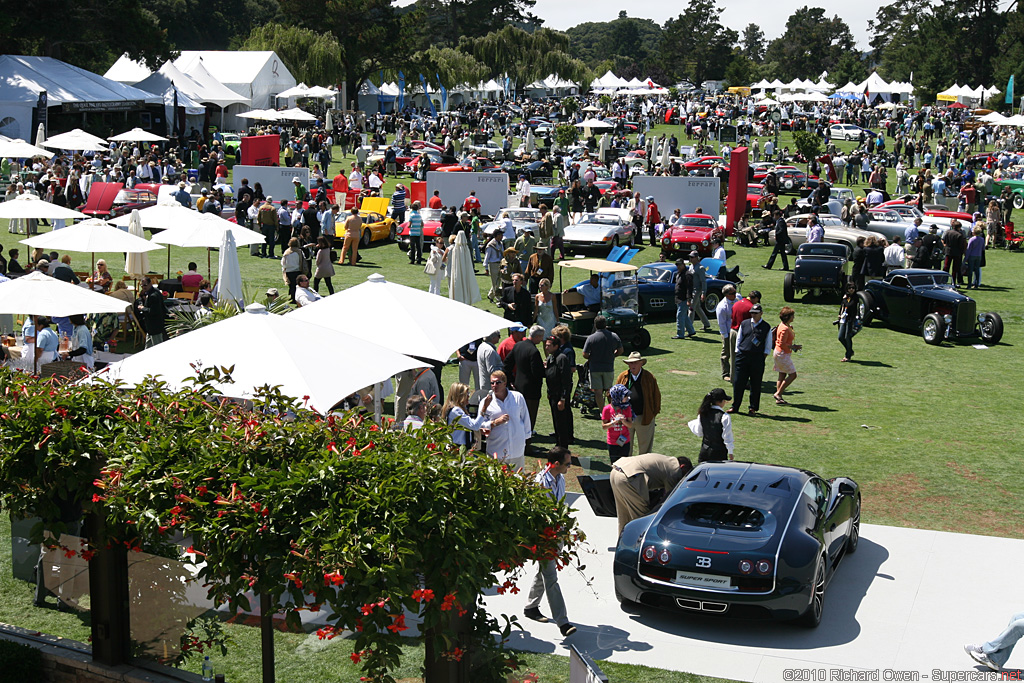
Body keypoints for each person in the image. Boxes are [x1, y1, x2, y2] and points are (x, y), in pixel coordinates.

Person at [523, 446, 577, 637]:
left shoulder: (559, 479)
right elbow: (538, 513)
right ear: (555, 464)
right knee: (551, 577)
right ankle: (563, 623)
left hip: (557, 533)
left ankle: (531, 607)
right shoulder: (540, 482)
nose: (569, 467)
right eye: (567, 464)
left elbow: (561, 506)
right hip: (544, 536)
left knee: (545, 572)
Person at [610, 453, 693, 537]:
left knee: (624, 514)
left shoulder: (667, 460)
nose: (682, 478)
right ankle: (637, 545)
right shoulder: (675, 470)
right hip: (629, 477)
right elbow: (670, 501)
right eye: (684, 475)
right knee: (642, 519)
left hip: (616, 471)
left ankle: (622, 542)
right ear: (682, 466)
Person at [480, 370, 531, 471]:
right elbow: (480, 424)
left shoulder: (517, 397)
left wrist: (524, 440)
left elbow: (526, 419)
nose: (494, 385)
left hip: (517, 450)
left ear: (505, 383)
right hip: (496, 450)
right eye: (492, 383)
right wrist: (495, 422)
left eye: (498, 382)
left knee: (518, 481)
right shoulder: (485, 402)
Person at [504, 325, 546, 448]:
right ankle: (526, 445)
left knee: (518, 417)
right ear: (537, 336)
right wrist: (545, 369)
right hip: (531, 391)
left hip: (518, 387)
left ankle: (518, 443)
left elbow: (506, 364)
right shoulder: (533, 351)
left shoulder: (518, 346)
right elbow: (537, 373)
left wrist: (511, 380)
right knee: (529, 419)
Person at [614, 352, 661, 456]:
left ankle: (643, 470)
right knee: (624, 447)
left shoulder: (649, 377)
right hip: (625, 419)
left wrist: (652, 415)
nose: (632, 365)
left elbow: (656, 397)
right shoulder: (623, 376)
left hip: (644, 418)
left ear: (641, 363)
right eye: (630, 363)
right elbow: (614, 394)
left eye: (635, 363)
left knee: (645, 450)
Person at [730, 303, 771, 415]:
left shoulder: (766, 326)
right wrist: (738, 352)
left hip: (757, 358)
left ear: (761, 314)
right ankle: (735, 406)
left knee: (755, 384)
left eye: (756, 313)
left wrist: (764, 355)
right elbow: (739, 339)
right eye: (752, 313)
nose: (753, 315)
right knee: (738, 382)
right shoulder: (745, 323)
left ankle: (753, 407)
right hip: (743, 356)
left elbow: (768, 344)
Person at [582, 315, 623, 411]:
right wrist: (613, 356)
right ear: (606, 324)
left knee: (598, 392)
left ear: (595, 325)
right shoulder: (613, 336)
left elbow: (585, 354)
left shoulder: (591, 338)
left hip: (595, 369)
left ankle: (603, 411)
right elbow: (620, 350)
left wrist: (591, 357)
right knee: (610, 391)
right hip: (608, 368)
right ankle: (613, 410)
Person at [442, 382, 493, 452]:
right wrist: (484, 407)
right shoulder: (456, 411)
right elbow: (474, 425)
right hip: (458, 449)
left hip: (461, 447)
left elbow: (467, 426)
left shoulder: (458, 409)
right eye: (467, 394)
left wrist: (479, 430)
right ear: (460, 396)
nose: (469, 396)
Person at [688, 388, 735, 462]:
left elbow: (699, 432)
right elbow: (727, 436)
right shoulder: (725, 416)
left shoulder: (703, 413)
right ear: (721, 401)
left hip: (704, 451)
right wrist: (730, 452)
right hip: (719, 453)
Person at [544, 334, 574, 448]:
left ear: (556, 346)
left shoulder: (561, 358)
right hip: (552, 394)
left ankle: (563, 446)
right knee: (556, 420)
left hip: (559, 396)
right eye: (546, 345)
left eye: (549, 346)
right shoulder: (550, 358)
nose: (546, 348)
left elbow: (565, 380)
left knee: (561, 423)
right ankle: (558, 443)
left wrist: (563, 399)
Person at [773, 306, 801, 404]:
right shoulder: (785, 328)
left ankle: (779, 397)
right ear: (788, 317)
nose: (794, 317)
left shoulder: (783, 325)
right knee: (793, 375)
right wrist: (794, 347)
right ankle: (778, 393)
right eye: (792, 315)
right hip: (782, 354)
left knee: (782, 374)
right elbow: (782, 344)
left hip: (779, 353)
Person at [602, 384, 634, 463]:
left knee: (625, 464)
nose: (627, 398)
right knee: (615, 464)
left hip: (625, 441)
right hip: (612, 442)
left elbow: (630, 425)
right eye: (625, 396)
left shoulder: (627, 407)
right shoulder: (607, 409)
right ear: (618, 397)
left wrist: (624, 421)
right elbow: (604, 426)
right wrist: (613, 422)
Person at [134, 278, 166, 348]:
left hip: (155, 326)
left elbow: (153, 311)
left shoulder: (153, 296)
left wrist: (142, 308)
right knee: (148, 347)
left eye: (145, 285)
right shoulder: (155, 291)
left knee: (157, 347)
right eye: (141, 286)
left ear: (150, 284)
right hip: (151, 327)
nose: (143, 287)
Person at [716, 284, 738, 381]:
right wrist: (725, 337)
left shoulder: (738, 298)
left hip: (738, 330)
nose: (735, 294)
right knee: (726, 353)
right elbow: (721, 323)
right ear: (727, 295)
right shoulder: (722, 307)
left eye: (735, 291)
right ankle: (725, 373)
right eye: (733, 293)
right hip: (728, 332)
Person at [687, 251, 712, 331]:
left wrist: (703, 293)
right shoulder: (691, 266)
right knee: (697, 308)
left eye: (692, 257)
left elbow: (703, 281)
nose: (690, 259)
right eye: (690, 257)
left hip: (697, 291)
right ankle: (706, 323)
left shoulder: (700, 268)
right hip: (691, 290)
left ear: (697, 258)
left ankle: (688, 327)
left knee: (691, 308)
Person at [672, 257, 695, 339]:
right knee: (683, 316)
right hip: (679, 298)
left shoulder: (687, 274)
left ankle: (680, 334)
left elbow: (689, 288)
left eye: (679, 265)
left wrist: (689, 299)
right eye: (677, 265)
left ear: (683, 265)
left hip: (684, 299)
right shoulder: (679, 273)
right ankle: (691, 331)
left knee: (680, 316)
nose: (678, 266)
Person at [836, 282, 858, 362]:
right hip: (843, 319)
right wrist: (839, 315)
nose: (851, 289)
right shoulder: (846, 297)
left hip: (850, 319)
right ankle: (850, 350)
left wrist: (845, 299)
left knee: (847, 337)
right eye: (850, 288)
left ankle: (848, 355)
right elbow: (842, 307)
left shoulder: (855, 298)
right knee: (840, 337)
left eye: (853, 288)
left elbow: (850, 305)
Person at [281, 238, 304, 302]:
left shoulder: (286, 252)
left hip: (289, 271)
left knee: (291, 285)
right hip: (297, 270)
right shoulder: (299, 251)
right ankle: (295, 298)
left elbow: (283, 263)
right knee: (296, 286)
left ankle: (292, 297)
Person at [483, 229, 504, 302]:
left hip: (500, 264)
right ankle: (498, 298)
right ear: (497, 235)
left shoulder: (500, 243)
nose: (502, 236)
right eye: (501, 235)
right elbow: (487, 257)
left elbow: (503, 253)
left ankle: (490, 295)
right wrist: (486, 267)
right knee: (495, 282)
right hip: (493, 264)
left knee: (498, 281)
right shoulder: (491, 245)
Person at [964, 225, 985, 290]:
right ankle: (976, 284)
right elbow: (983, 248)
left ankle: (969, 284)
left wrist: (965, 259)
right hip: (978, 256)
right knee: (977, 270)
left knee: (970, 271)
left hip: (972, 256)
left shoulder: (971, 239)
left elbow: (969, 249)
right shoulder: (982, 239)